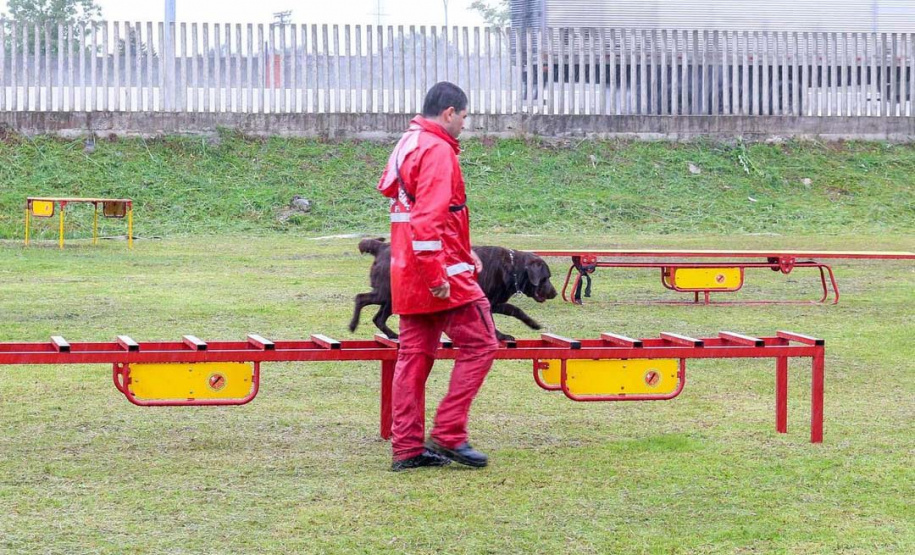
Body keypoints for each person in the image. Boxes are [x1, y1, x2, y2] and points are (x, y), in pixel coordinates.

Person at [375, 82, 499, 472]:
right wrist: (438, 274)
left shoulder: (407, 143)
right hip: (439, 272)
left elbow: (418, 212)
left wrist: (463, 251)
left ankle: (407, 448)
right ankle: (448, 432)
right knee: (482, 343)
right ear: (449, 113)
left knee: (413, 360)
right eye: (464, 117)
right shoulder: (438, 149)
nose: (464, 125)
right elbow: (428, 219)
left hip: (406, 270)